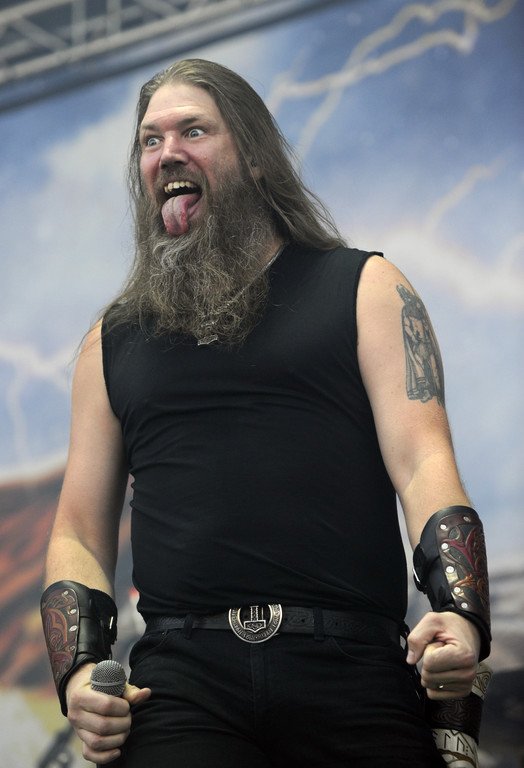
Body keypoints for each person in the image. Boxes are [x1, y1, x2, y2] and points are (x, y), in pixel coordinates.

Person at [41, 59, 490, 767]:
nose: (168, 153)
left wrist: (462, 617)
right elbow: (77, 531)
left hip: (352, 668)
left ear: (254, 155)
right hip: (181, 683)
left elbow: (424, 462)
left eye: (193, 131)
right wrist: (76, 672)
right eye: (151, 140)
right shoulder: (112, 340)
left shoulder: (366, 288)